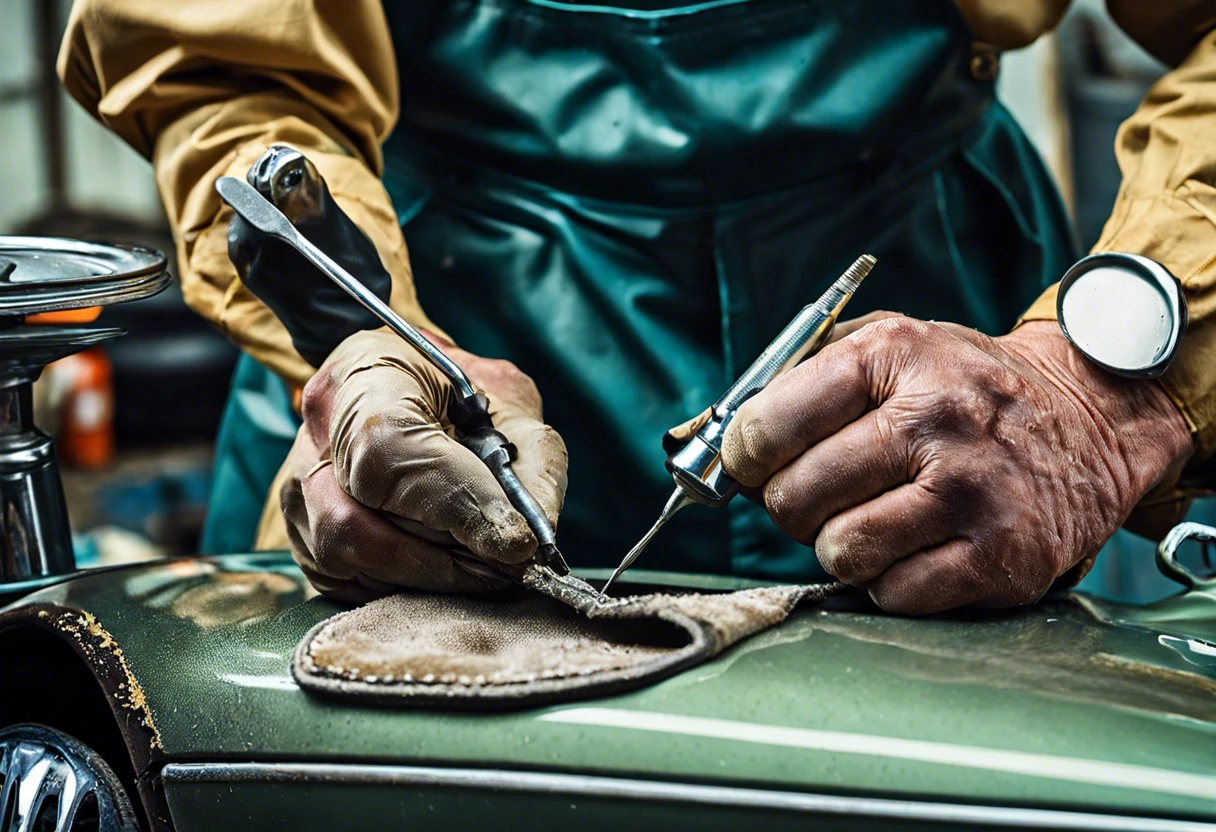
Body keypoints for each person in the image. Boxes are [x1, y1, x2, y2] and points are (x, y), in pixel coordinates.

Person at [59, 0, 1215, 613]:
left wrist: (1101, 387)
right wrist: (361, 340)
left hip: (944, 365)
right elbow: (221, 69)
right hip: (429, 306)